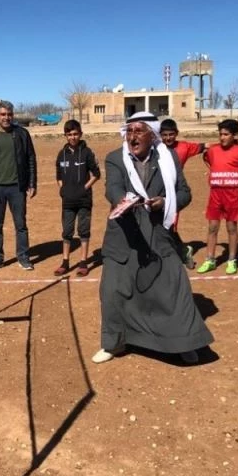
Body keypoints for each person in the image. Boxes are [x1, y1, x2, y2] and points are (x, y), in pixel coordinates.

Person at [92, 112, 214, 365]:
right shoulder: (115, 158)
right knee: (112, 290)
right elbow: (112, 187)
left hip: (158, 234)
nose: (132, 136)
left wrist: (166, 202)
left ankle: (182, 341)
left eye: (139, 131)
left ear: (152, 135)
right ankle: (113, 343)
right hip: (124, 234)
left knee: (173, 287)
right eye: (129, 131)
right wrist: (123, 201)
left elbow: (184, 193)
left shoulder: (168, 158)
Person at [196, 119, 238, 275]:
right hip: (215, 194)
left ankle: (232, 260)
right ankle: (210, 260)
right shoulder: (213, 150)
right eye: (220, 134)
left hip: (232, 195)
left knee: (231, 227)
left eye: (226, 134)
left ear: (234, 135)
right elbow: (205, 158)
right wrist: (213, 170)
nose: (222, 138)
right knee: (212, 227)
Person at [0, 100, 37, 271]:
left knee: (21, 225)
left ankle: (23, 256)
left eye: (9, 114)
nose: (6, 117)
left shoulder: (22, 134)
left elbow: (31, 159)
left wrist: (32, 183)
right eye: (3, 114)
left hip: (17, 188)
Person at [54, 119, 101, 277]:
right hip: (68, 201)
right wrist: (63, 189)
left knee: (83, 230)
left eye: (75, 134)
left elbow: (96, 174)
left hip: (83, 200)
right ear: (65, 136)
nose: (72, 137)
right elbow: (58, 176)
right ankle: (65, 262)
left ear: (80, 134)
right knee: (67, 231)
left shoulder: (87, 153)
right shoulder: (62, 154)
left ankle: (83, 262)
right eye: (69, 134)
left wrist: (84, 188)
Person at [159, 118, 206, 267]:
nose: (168, 138)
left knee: (170, 225)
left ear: (177, 133)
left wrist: (233, 144)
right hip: (157, 192)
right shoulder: (156, 148)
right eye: (164, 135)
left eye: (171, 134)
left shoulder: (184, 147)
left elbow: (205, 146)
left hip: (175, 193)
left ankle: (183, 253)